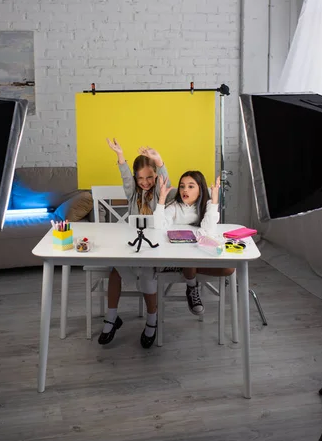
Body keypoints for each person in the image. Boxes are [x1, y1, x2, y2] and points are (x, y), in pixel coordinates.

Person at [98, 138, 170, 349]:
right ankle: (112, 318)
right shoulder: (132, 194)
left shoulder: (159, 192)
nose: (145, 182)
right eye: (141, 178)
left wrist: (159, 161)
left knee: (148, 277)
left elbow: (165, 179)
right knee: (115, 272)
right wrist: (120, 156)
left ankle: (152, 319)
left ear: (155, 176)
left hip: (153, 248)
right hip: (131, 246)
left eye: (149, 177)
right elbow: (125, 177)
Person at [153, 170, 234, 316]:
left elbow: (208, 229)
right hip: (179, 253)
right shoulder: (175, 206)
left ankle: (186, 271)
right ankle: (191, 286)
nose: (185, 190)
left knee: (229, 269)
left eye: (191, 186)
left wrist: (214, 201)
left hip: (198, 253)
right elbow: (159, 226)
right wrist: (162, 199)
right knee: (189, 259)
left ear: (200, 189)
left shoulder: (207, 206)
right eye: (182, 186)